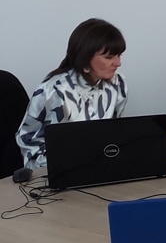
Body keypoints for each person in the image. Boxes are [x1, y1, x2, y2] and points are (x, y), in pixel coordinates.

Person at [17, 18, 128, 169]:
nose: (118, 63)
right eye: (109, 57)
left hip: (98, 163)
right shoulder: (55, 90)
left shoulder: (118, 84)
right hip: (53, 168)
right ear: (85, 57)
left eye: (119, 55)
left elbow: (114, 133)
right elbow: (30, 143)